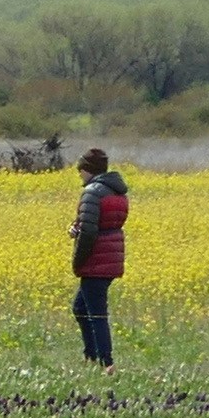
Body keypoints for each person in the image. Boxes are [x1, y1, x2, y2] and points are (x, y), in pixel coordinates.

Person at [69, 149, 126, 367]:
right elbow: (106, 221)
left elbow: (90, 231)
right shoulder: (117, 191)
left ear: (87, 170)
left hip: (97, 257)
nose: (80, 176)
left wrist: (79, 260)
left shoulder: (93, 192)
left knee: (97, 313)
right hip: (112, 253)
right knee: (80, 308)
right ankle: (91, 355)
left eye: (81, 171)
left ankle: (105, 361)